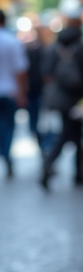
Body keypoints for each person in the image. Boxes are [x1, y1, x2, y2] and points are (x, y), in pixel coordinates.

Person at [41, 12, 83, 189]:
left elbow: (46, 71)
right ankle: (51, 164)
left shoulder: (56, 45)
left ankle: (75, 172)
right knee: (70, 134)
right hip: (77, 97)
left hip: (60, 97)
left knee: (72, 134)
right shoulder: (80, 46)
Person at [0, 10, 28, 177]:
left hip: (8, 91)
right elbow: (21, 70)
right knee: (8, 127)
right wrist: (22, 93)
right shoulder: (11, 41)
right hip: (9, 91)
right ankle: (7, 155)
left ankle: (4, 153)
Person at [25, 25, 48, 147]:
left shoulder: (29, 49)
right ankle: (40, 136)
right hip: (38, 87)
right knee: (39, 114)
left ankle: (36, 133)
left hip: (32, 87)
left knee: (35, 114)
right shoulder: (42, 49)